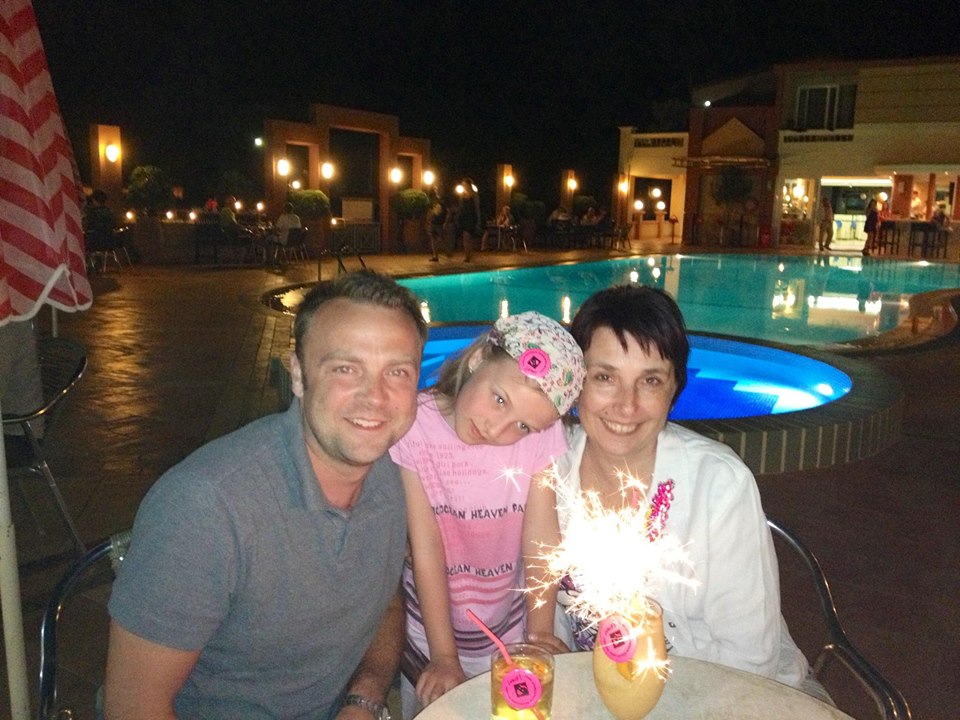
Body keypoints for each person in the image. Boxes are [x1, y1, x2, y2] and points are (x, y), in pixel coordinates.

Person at [104, 270, 428, 720]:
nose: (375, 397)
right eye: (345, 368)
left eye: (397, 372)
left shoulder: (390, 476)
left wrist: (365, 698)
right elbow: (132, 707)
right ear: (298, 375)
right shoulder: (206, 508)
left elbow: (385, 599)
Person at [522, 284, 823, 700]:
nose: (626, 405)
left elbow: (750, 660)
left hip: (726, 694)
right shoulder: (547, 469)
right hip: (597, 693)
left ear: (674, 389)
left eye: (650, 381)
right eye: (605, 377)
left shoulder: (718, 485)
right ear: (576, 384)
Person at [391, 311, 585, 718]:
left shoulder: (542, 436)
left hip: (511, 631)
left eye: (522, 426)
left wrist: (539, 633)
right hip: (429, 636)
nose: (497, 430)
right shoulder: (416, 427)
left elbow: (541, 539)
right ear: (478, 358)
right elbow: (426, 546)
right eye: (500, 399)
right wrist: (444, 656)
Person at [456, 179, 481, 262]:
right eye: (463, 185)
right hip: (464, 217)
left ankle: (468, 255)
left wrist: (478, 221)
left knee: (468, 236)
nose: (464, 186)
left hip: (471, 217)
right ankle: (467, 255)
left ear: (469, 185)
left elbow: (477, 208)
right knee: (465, 237)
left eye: (465, 185)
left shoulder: (474, 195)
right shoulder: (462, 195)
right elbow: (460, 207)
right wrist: (458, 217)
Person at [426, 188, 445, 262]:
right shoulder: (434, 200)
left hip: (440, 222)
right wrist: (428, 219)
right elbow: (430, 210)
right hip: (433, 221)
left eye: (438, 189)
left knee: (441, 238)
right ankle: (435, 255)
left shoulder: (444, 200)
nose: (437, 191)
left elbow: (448, 211)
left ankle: (446, 251)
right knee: (433, 238)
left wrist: (446, 222)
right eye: (436, 189)